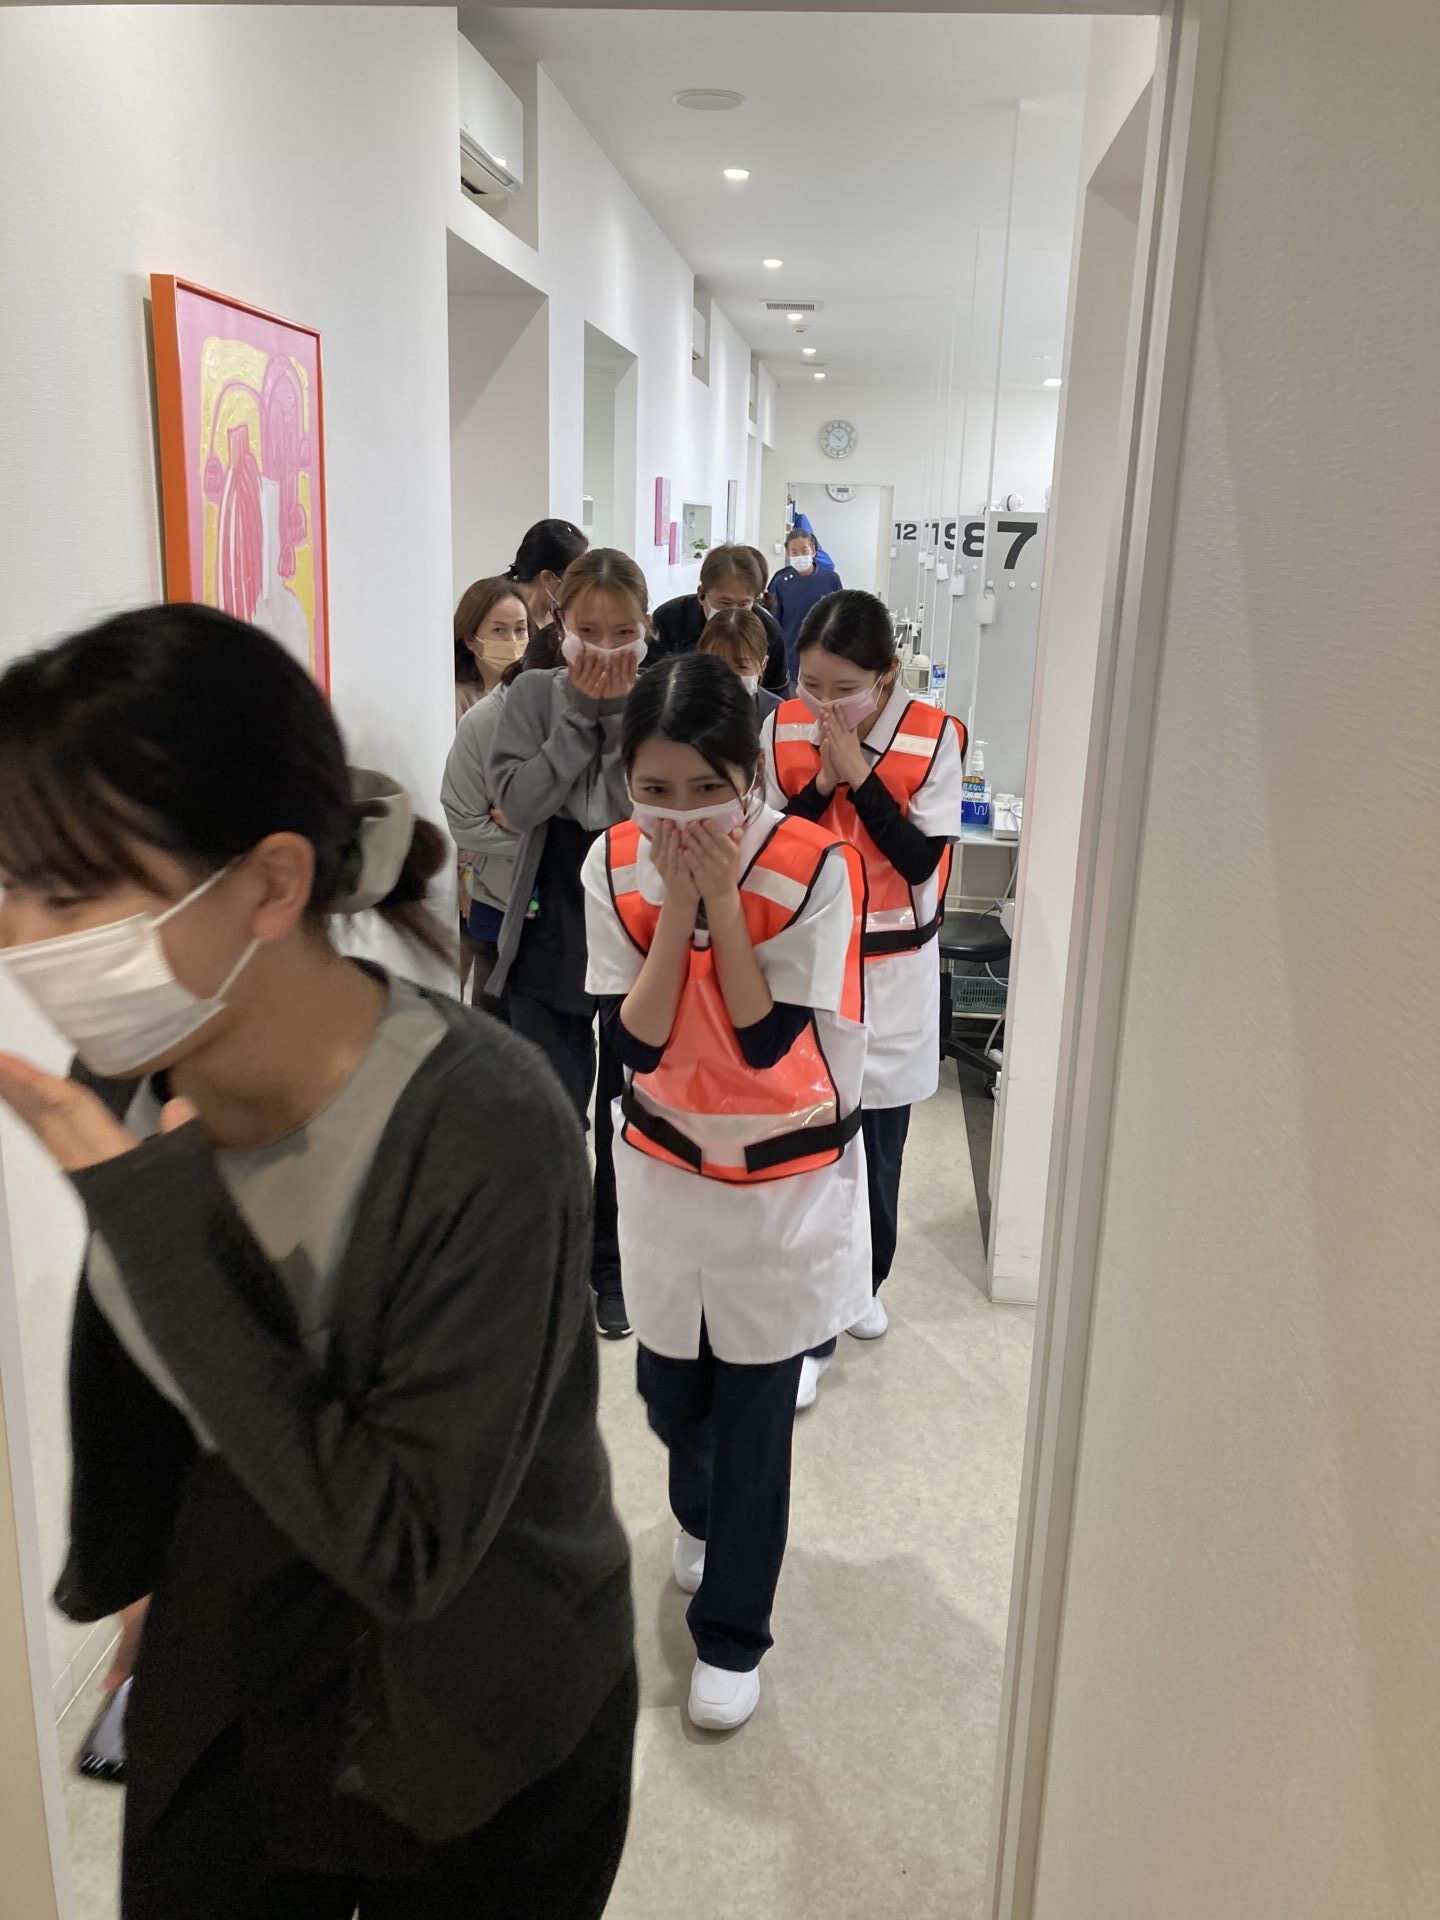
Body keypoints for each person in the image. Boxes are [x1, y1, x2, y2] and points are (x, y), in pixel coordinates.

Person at [0, 605, 635, 1919]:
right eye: (10, 884)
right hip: (238, 1641)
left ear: (272, 884)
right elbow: (145, 1362)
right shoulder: (132, 1061)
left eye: (70, 889)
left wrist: (153, 1215)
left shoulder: (487, 1127)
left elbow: (410, 1547)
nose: (23, 938)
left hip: (479, 1719)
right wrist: (149, 1581)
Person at [583, 653, 869, 1733]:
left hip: (778, 1183)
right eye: (654, 789)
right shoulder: (614, 863)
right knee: (669, 1394)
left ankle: (734, 1635)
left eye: (708, 788)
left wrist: (720, 906)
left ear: (751, 773)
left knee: (755, 1418)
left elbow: (761, 1038)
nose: (681, 813)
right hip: (666, 1173)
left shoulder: (812, 865)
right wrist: (680, 910)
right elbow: (633, 1043)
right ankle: (699, 1514)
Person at [762, 590, 965, 1406]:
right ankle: (812, 1328)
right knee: (815, 1148)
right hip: (811, 966)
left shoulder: (932, 735)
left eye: (843, 688)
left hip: (892, 972)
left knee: (880, 1149)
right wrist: (821, 781)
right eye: (809, 683)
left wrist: (860, 777)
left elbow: (919, 861)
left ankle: (865, 1282)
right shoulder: (782, 728)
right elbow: (775, 844)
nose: (823, 704)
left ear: (885, 676)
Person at [488, 549, 648, 1340]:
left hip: (635, 921)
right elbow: (517, 804)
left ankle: (612, 1266)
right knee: (552, 1112)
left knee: (627, 1111)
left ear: (646, 630)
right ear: (560, 624)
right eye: (590, 630)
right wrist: (580, 716)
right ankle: (551, 1265)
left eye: (623, 633)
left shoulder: (659, 699)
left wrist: (616, 719)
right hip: (550, 916)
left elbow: (634, 808)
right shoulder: (530, 694)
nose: (605, 648)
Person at [443, 620, 562, 1006]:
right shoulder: (484, 723)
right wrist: (540, 840)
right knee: (498, 1014)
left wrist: (534, 827)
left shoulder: (598, 720)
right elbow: (465, 822)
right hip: (501, 905)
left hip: (576, 910)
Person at [453, 577, 533, 997]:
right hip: (471, 865)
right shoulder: (459, 702)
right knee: (466, 975)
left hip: (515, 875)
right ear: (471, 638)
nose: (513, 641)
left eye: (520, 629)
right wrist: (464, 879)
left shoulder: (532, 697)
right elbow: (468, 802)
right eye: (499, 630)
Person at [649, 544, 790, 695]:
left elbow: (778, 695)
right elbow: (649, 685)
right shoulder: (669, 619)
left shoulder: (769, 632)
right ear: (701, 594)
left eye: (743, 604)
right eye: (725, 603)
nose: (732, 613)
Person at [769, 529, 843, 683]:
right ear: (788, 555)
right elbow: (773, 625)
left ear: (813, 551)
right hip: (790, 660)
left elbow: (840, 619)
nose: (799, 556)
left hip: (824, 657)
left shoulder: (831, 580)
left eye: (804, 551)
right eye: (794, 552)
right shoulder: (781, 583)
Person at [502, 517, 590, 636]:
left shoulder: (558, 615)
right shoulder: (502, 614)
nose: (582, 586)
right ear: (547, 577)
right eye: (577, 577)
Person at [697, 606, 781, 724]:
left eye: (741, 666)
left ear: (763, 665)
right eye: (717, 664)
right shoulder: (683, 710)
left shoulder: (778, 714)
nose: (728, 676)